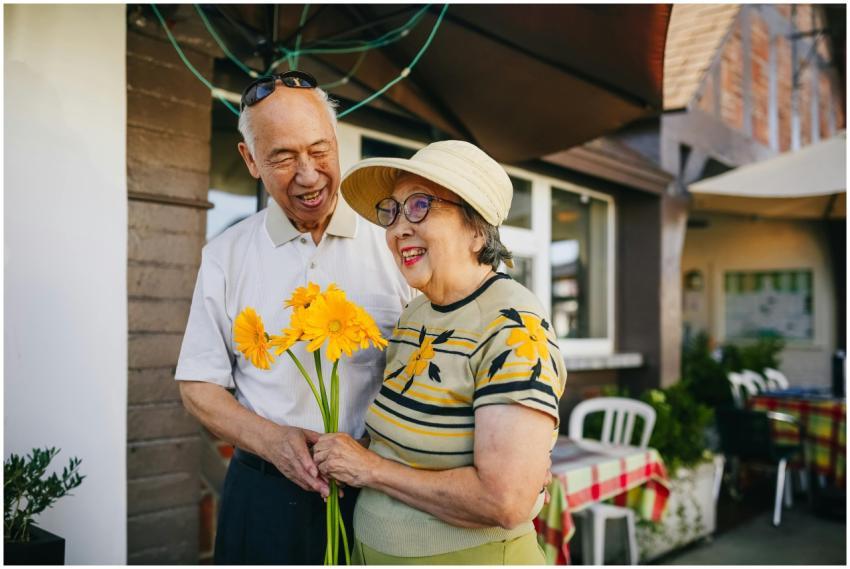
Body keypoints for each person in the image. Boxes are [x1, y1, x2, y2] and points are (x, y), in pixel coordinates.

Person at [174, 70, 412, 564]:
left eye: (319, 150)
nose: (308, 174)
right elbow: (197, 385)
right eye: (283, 157)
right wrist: (273, 441)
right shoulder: (226, 255)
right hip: (264, 497)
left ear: (337, 140)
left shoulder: (397, 242)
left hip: (382, 495)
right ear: (251, 160)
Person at [314, 140, 568, 564]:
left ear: (475, 228)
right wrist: (344, 451)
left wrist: (368, 469)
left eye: (419, 206)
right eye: (392, 212)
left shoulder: (512, 324)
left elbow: (504, 501)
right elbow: (406, 442)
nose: (397, 229)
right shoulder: (416, 313)